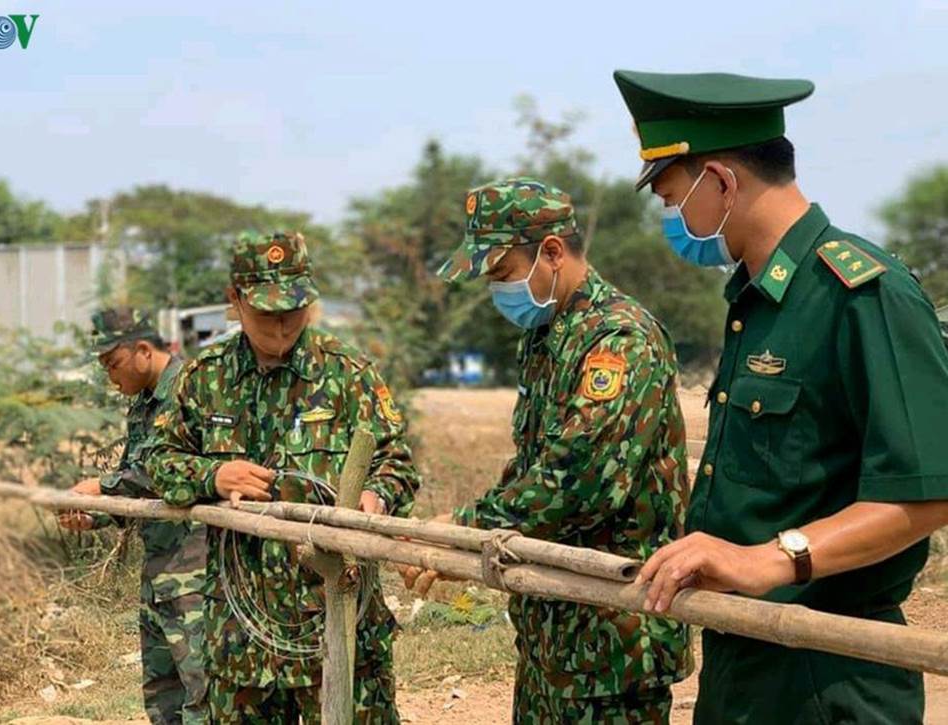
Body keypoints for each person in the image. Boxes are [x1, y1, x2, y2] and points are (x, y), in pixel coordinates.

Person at [613, 69, 948, 724]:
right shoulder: (757, 301)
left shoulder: (861, 294)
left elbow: (928, 489)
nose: (673, 220)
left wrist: (771, 558)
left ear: (721, 182)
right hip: (745, 657)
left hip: (830, 669)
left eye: (673, 198)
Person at [404, 177, 692, 724]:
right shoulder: (546, 336)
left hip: (613, 643)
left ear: (552, 252)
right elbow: (531, 465)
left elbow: (579, 481)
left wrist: (466, 529)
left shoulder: (616, 340)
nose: (497, 290)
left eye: (502, 273)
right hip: (551, 632)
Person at [146, 230, 421, 723]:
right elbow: (159, 462)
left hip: (338, 621)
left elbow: (397, 460)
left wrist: (378, 496)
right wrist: (213, 474)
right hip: (242, 637)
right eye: (266, 312)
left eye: (293, 311)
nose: (280, 326)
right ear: (234, 300)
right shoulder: (204, 378)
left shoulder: (348, 373)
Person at [60, 307, 208, 725]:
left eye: (114, 363)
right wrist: (98, 516)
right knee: (163, 696)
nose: (110, 377)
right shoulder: (143, 403)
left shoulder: (191, 390)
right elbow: (136, 484)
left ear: (143, 350)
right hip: (159, 570)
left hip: (197, 573)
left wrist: (100, 488)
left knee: (203, 692)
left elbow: (175, 472)